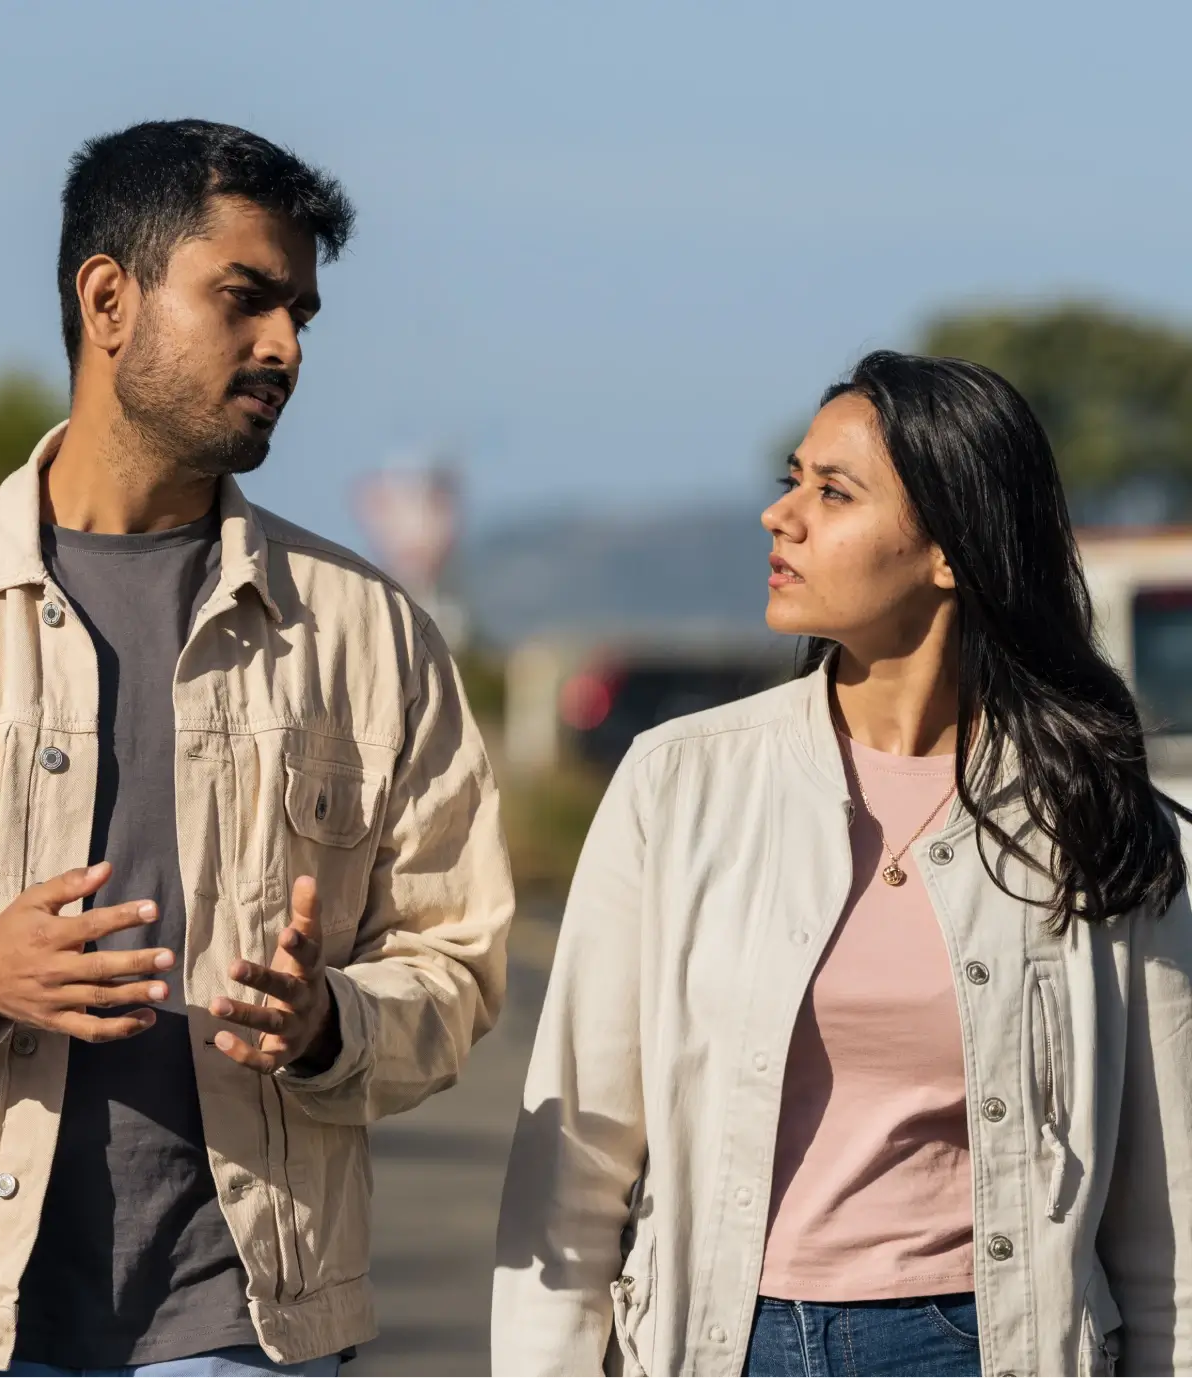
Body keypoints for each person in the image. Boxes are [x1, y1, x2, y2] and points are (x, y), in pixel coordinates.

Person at [0, 119, 513, 1377]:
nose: (286, 347)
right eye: (246, 299)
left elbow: (460, 961)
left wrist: (334, 1024)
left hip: (238, 1323)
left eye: (302, 314)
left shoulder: (366, 634)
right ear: (109, 298)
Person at [491, 350, 1192, 1378]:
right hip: (728, 1342)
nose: (782, 516)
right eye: (792, 479)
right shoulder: (679, 782)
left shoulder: (1094, 813)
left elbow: (1169, 1204)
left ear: (950, 550)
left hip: (987, 1346)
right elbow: (577, 1160)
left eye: (833, 491)